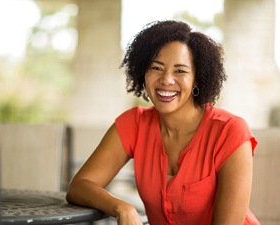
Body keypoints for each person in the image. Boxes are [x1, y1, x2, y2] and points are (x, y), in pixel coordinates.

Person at [66, 20, 260, 225]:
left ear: (197, 79)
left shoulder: (229, 132)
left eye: (180, 71)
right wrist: (122, 207)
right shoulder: (134, 124)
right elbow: (80, 185)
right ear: (143, 72)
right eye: (156, 67)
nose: (166, 79)